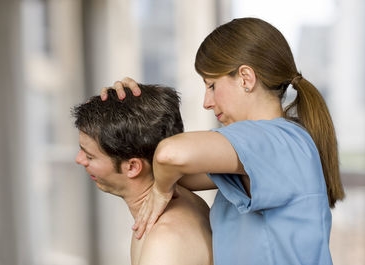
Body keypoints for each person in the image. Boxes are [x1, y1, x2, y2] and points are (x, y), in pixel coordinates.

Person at [102, 17, 345, 265]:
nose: (206, 102)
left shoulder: (278, 141)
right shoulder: (272, 149)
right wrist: (130, 109)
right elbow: (168, 171)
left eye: (211, 85)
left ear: (246, 78)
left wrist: (161, 191)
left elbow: (170, 157)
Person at [73, 85, 213, 265]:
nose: (79, 160)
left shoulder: (164, 242)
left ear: (132, 167)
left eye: (89, 156)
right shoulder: (181, 196)